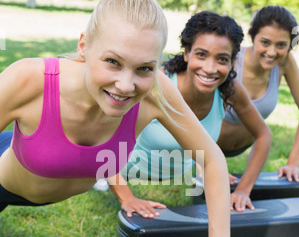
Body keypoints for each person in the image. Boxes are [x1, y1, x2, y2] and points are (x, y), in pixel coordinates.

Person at [0, 0, 233, 237]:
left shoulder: (156, 91)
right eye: (112, 61)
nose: (126, 85)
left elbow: (212, 159)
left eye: (144, 68)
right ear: (83, 45)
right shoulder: (29, 79)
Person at [107, 11, 271, 214]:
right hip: (127, 170)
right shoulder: (156, 83)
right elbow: (103, 139)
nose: (210, 68)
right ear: (187, 53)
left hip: (182, 173)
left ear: (232, 62)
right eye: (201, 55)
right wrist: (128, 198)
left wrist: (243, 190)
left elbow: (263, 135)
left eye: (222, 59)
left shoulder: (230, 89)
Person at [218, 5, 299, 184]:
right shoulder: (232, 59)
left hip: (247, 145)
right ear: (253, 37)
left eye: (281, 45)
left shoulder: (285, 63)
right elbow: (194, 110)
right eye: (265, 42)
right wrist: (206, 165)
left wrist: (294, 162)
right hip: (210, 145)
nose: (272, 52)